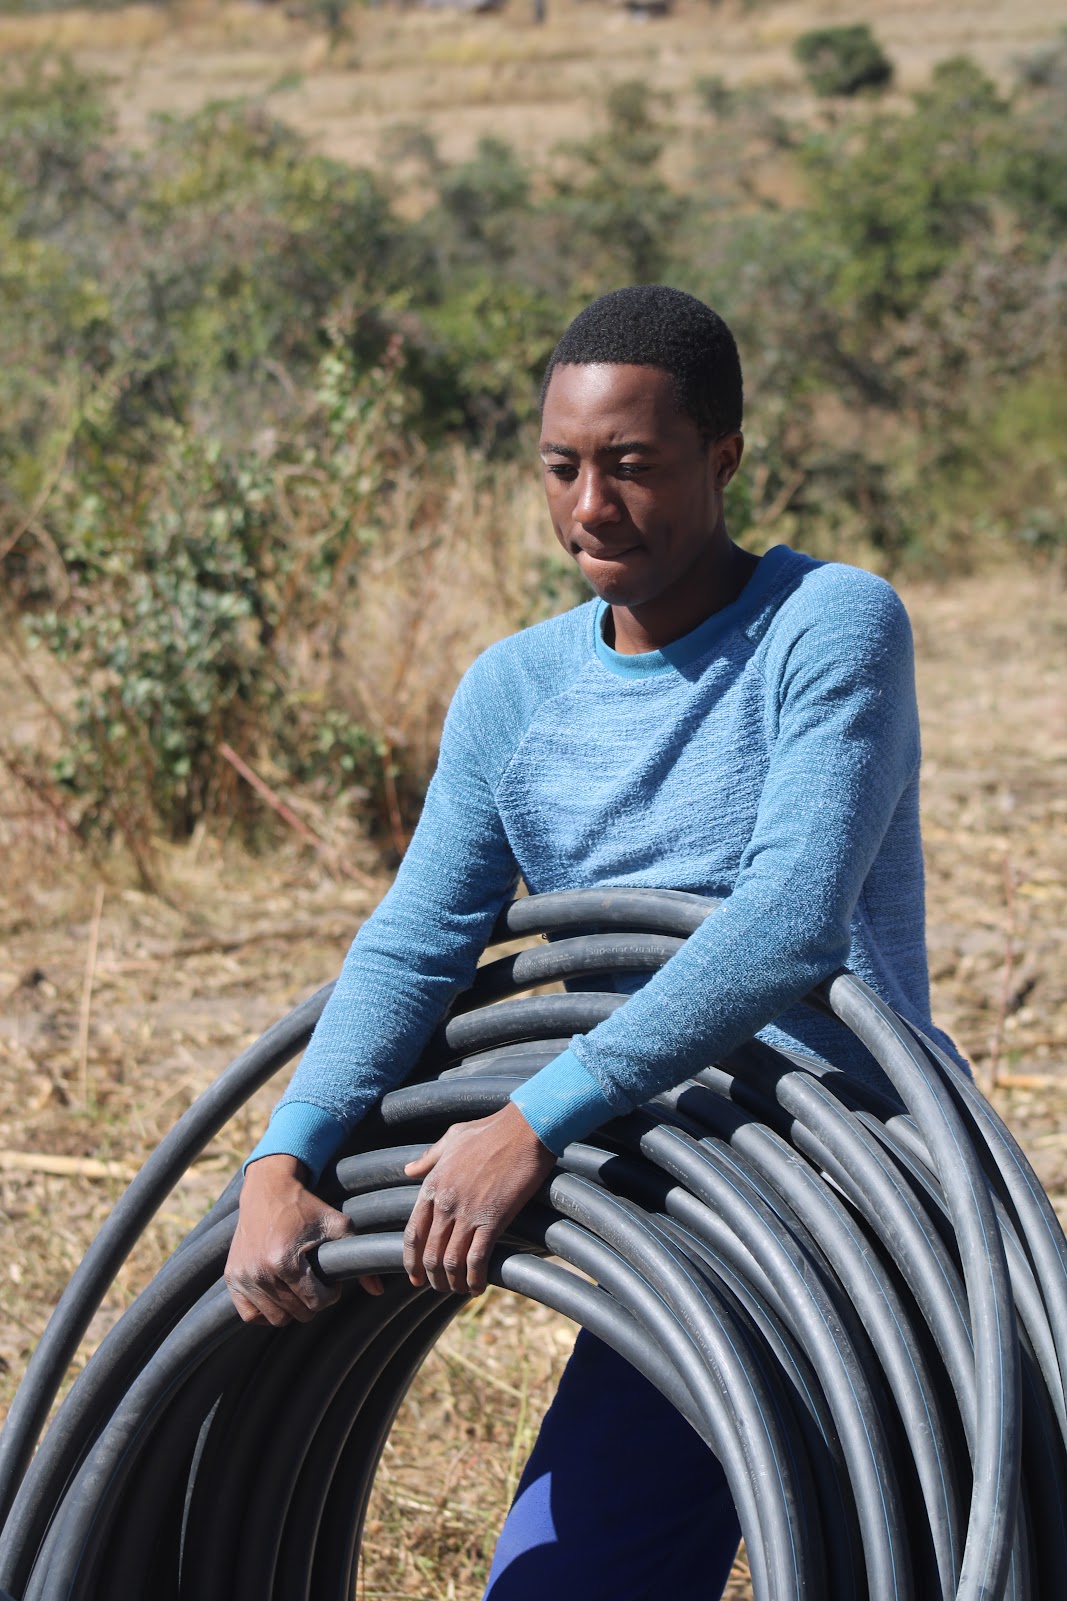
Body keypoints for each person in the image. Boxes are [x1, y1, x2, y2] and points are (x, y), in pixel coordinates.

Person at [225, 284, 964, 1599]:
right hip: (671, 1210)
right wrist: (292, 1147)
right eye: (562, 467)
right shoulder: (516, 690)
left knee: (940, 1554)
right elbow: (418, 939)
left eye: (631, 466)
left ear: (725, 460)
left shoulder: (830, 625)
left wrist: (532, 1116)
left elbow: (791, 922)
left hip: (851, 1190)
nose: (589, 506)